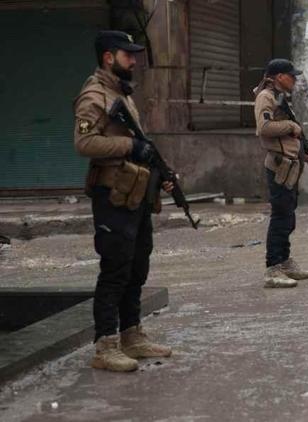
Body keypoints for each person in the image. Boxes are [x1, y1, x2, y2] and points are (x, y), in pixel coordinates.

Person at [73, 30, 173, 372]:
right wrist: (130, 147)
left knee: (137, 266)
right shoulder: (94, 95)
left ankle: (132, 335)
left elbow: (139, 145)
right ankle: (105, 346)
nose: (133, 60)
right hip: (112, 194)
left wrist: (161, 173)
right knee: (115, 268)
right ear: (108, 57)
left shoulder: (122, 94)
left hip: (135, 193)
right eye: (127, 54)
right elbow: (84, 144)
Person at [253, 59, 308, 288]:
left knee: (288, 217)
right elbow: (264, 128)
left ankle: (285, 261)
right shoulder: (265, 96)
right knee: (280, 217)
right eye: (291, 76)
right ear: (279, 76)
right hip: (279, 166)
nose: (295, 80)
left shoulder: (279, 97)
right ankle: (273, 269)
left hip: (291, 166)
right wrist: (291, 127)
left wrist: (306, 152)